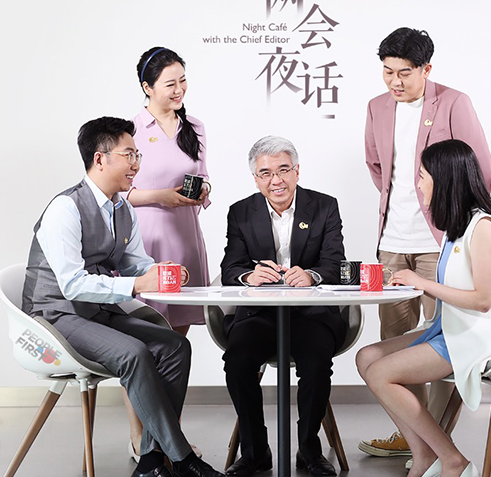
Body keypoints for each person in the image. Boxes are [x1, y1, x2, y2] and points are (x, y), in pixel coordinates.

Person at [21, 117, 223, 477]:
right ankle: (183, 459)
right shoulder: (65, 208)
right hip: (56, 317)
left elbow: (134, 263)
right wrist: (138, 285)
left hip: (96, 312)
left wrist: (160, 270)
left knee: (175, 346)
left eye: (137, 155)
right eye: (129, 155)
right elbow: (72, 285)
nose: (136, 164)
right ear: (100, 159)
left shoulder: (122, 208)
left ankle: (150, 461)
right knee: (134, 353)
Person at [356, 139, 491, 477]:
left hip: (484, 332)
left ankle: (451, 459)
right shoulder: (456, 228)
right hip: (453, 324)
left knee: (380, 373)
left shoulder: (484, 227)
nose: (418, 184)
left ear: (444, 178)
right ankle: (424, 456)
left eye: (422, 176)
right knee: (367, 357)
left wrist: (422, 283)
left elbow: (482, 300)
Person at [361, 27, 491, 458]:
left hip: (440, 243)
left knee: (442, 339)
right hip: (391, 242)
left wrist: (443, 214)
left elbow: (480, 169)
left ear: (426, 69)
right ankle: (413, 438)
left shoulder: (454, 102)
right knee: (394, 339)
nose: (395, 81)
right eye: (387, 72)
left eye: (404, 72)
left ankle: (438, 441)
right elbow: (377, 165)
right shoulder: (377, 107)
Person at [220, 136, 346, 477]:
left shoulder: (324, 206)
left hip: (311, 313)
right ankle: (255, 452)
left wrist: (312, 275)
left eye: (283, 170)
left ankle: (309, 449)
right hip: (260, 313)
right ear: (255, 179)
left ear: (297, 171)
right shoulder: (241, 212)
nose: (276, 180)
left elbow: (336, 263)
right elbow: (230, 269)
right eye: (266, 173)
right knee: (237, 361)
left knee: (316, 361)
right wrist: (249, 276)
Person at [125, 46, 211, 459]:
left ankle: (166, 437)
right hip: (146, 245)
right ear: (147, 87)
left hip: (185, 241)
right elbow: (120, 191)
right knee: (141, 348)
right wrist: (162, 196)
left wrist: (202, 192)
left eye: (183, 81)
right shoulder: (130, 129)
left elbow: (204, 177)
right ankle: (139, 437)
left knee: (176, 345)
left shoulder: (194, 126)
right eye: (169, 83)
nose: (179, 90)